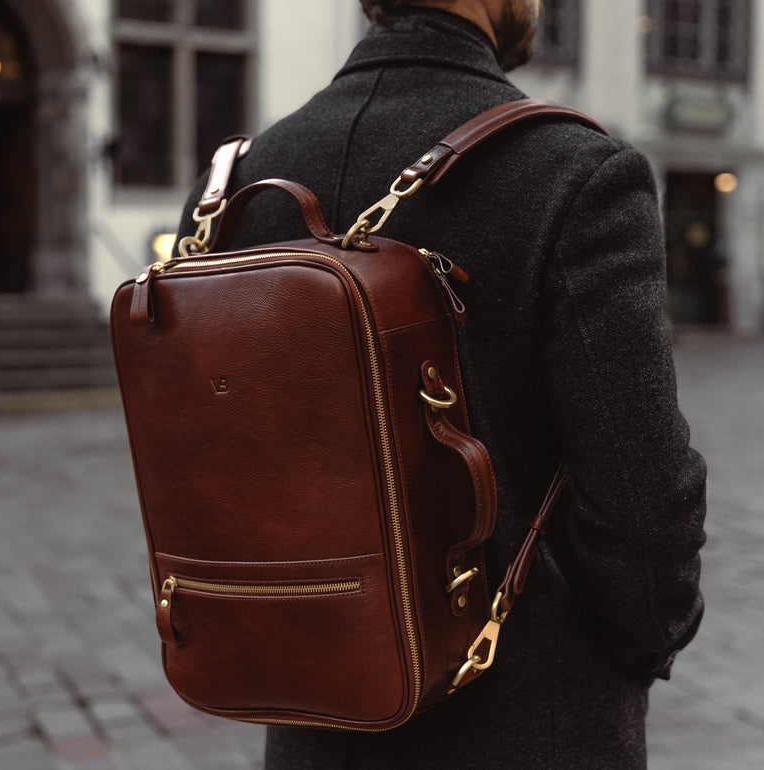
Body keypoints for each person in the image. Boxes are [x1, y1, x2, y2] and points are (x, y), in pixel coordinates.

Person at [175, 1, 707, 767]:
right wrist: (640, 644)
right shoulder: (574, 171)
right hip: (527, 719)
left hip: (314, 713)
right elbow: (641, 493)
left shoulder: (231, 185)